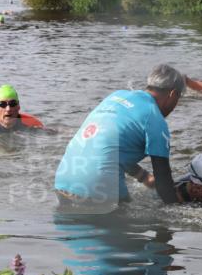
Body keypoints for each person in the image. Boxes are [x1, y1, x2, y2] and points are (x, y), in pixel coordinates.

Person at [54, 64, 185, 212]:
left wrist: (143, 177)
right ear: (173, 94)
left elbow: (109, 148)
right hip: (98, 191)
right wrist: (179, 208)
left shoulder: (116, 96)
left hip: (62, 182)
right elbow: (163, 180)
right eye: (178, 98)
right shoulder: (155, 118)